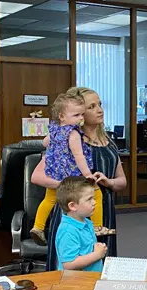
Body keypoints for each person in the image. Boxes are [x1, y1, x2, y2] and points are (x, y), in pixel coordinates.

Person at [31, 87, 127, 271]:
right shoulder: (67, 140)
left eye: (100, 104)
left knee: (101, 265)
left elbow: (122, 181)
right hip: (73, 212)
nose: (99, 110)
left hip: (102, 209)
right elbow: (36, 177)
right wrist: (71, 188)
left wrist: (109, 182)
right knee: (72, 267)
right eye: (92, 106)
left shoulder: (109, 142)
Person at [29, 93, 111, 246]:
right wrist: (88, 175)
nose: (80, 118)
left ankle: (38, 227)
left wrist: (56, 149)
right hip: (73, 175)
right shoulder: (73, 133)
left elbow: (45, 142)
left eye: (82, 114)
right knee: (96, 194)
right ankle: (97, 226)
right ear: (62, 116)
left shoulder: (54, 129)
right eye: (76, 115)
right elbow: (79, 156)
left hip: (54, 173)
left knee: (49, 200)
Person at [55, 176, 107, 272]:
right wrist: (97, 254)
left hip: (90, 279)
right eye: (89, 199)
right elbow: (68, 264)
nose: (94, 202)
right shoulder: (68, 231)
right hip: (77, 284)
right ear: (73, 206)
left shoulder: (85, 221)